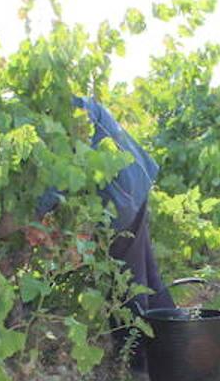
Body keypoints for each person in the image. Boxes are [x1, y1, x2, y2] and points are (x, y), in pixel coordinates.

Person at [36, 97, 175, 365]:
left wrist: (36, 213)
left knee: (125, 281)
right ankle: (176, 348)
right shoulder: (76, 102)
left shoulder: (68, 113)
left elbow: (61, 167)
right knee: (146, 272)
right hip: (134, 182)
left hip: (119, 196)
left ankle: (138, 362)